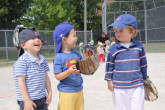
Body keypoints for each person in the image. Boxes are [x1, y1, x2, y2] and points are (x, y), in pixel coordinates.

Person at [105, 14, 148, 110]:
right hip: (119, 86)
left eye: (121, 30)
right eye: (116, 31)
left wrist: (145, 78)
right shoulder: (113, 48)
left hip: (137, 85)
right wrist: (109, 81)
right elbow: (109, 66)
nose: (117, 33)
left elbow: (143, 64)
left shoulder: (139, 46)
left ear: (132, 31)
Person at [13, 28, 52, 110]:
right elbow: (21, 82)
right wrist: (26, 100)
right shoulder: (22, 61)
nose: (37, 40)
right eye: (32, 38)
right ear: (23, 45)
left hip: (42, 98)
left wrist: (50, 92)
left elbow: (46, 78)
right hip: (28, 101)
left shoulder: (42, 59)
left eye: (38, 38)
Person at [53, 22, 84, 110]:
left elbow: (83, 67)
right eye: (74, 36)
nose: (76, 38)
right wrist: (69, 71)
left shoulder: (77, 54)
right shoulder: (59, 57)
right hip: (67, 92)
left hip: (79, 90)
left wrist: (89, 64)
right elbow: (57, 76)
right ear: (64, 39)